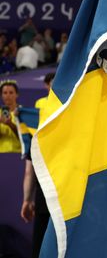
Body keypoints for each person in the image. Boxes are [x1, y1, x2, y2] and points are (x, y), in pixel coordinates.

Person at [22, 72, 59, 258]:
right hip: (63, 196)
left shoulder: (37, 139)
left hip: (49, 196)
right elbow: (29, 172)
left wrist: (27, 200)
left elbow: (30, 172)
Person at [0, 80, 20, 153]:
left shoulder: (22, 112)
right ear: (1, 95)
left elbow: (26, 137)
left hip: (18, 153)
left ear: (17, 94)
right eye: (5, 93)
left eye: (11, 92)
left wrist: (10, 124)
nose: (8, 95)